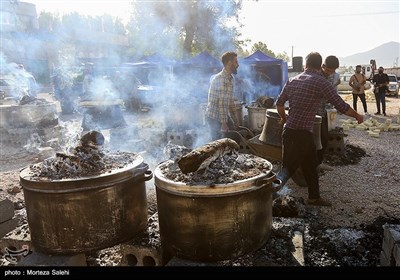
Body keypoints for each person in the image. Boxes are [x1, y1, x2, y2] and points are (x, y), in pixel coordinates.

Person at [275, 52, 363, 207]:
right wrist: (356, 115)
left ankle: (314, 198)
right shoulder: (321, 83)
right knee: (289, 169)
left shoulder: (292, 80)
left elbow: (279, 104)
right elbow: (340, 105)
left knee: (309, 164)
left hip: (289, 131)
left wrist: (284, 119)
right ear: (320, 65)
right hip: (303, 134)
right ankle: (268, 195)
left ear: (306, 65)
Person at [205, 51, 240, 141]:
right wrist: (224, 123)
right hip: (213, 116)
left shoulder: (230, 79)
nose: (238, 65)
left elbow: (230, 101)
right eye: (236, 62)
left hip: (221, 115)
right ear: (229, 63)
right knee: (217, 143)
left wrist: (236, 121)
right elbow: (221, 103)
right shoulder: (220, 79)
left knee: (234, 136)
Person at [317, 55, 341, 168]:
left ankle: (319, 163)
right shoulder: (316, 76)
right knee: (316, 140)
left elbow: (332, 93)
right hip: (314, 113)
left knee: (324, 139)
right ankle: (311, 165)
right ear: (322, 66)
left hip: (325, 111)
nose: (329, 73)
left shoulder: (332, 76)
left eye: (332, 71)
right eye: (328, 70)